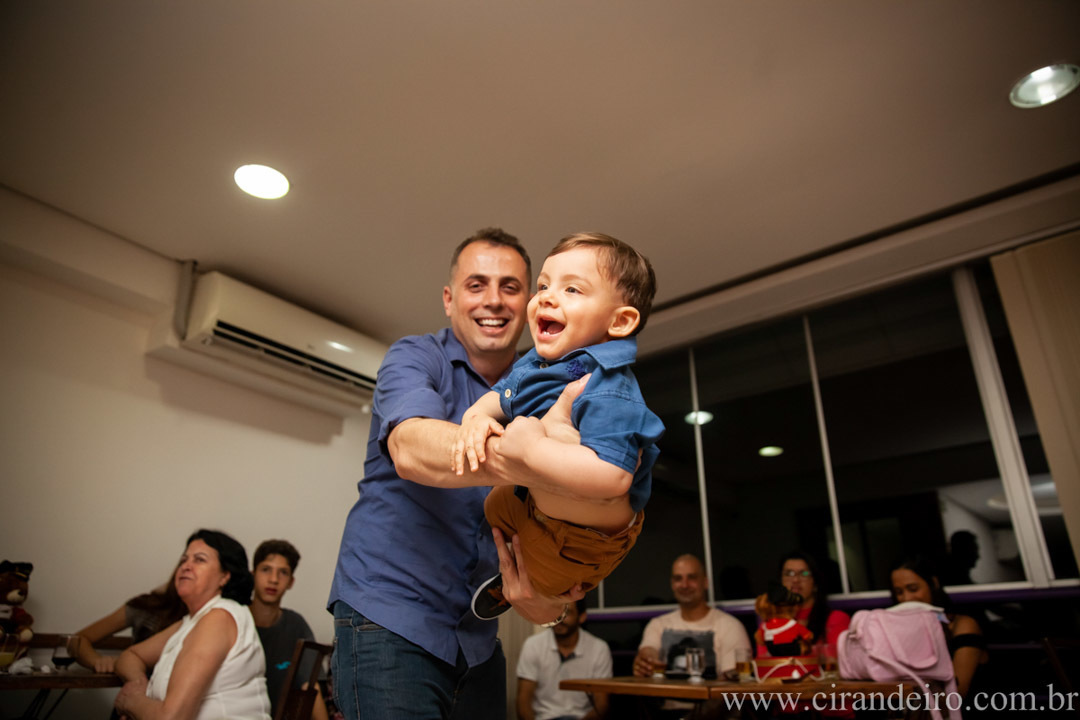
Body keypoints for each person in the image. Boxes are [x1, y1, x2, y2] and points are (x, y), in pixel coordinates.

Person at [328, 228, 587, 720]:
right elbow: (409, 448)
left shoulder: (548, 389)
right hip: (389, 618)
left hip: (479, 640)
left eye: (511, 287)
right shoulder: (413, 356)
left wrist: (552, 603)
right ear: (449, 300)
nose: (494, 300)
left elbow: (559, 527)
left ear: (531, 303)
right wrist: (539, 461)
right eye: (476, 285)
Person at [452, 232, 664, 617]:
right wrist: (475, 418)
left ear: (619, 321)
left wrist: (533, 449)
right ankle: (513, 556)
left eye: (572, 289)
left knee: (547, 583)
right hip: (539, 505)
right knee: (495, 504)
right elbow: (499, 397)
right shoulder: (539, 365)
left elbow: (613, 479)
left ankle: (528, 576)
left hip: (581, 540)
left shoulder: (607, 388)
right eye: (544, 286)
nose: (547, 297)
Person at [114, 529, 271, 720]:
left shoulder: (219, 619)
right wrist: (139, 686)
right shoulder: (193, 621)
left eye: (199, 560)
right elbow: (131, 656)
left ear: (225, 576)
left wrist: (132, 702)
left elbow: (172, 718)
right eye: (184, 560)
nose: (186, 566)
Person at [633, 555, 750, 679]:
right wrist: (647, 661)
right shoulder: (657, 624)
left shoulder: (730, 626)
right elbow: (649, 650)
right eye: (678, 578)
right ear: (672, 584)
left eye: (692, 577)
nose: (684, 585)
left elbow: (734, 682)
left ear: (705, 582)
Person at [250, 540, 328, 720]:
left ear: (291, 582)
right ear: (253, 575)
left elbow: (310, 687)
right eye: (266, 569)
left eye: (283, 572)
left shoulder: (296, 625)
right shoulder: (233, 619)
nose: (273, 579)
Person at [891, 557, 988, 698]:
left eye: (913, 589)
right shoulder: (897, 629)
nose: (906, 598)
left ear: (933, 584)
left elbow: (957, 692)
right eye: (899, 592)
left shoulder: (962, 625)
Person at [73, 566, 186, 673]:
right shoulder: (147, 607)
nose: (188, 567)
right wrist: (98, 661)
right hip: (138, 682)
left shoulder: (193, 620)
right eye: (185, 560)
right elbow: (77, 640)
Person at [516, 599, 612, 720]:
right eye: (555, 612)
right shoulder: (533, 645)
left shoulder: (599, 648)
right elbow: (523, 702)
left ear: (582, 617)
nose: (559, 619)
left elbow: (601, 705)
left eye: (567, 613)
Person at [754, 550, 850, 661]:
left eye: (804, 574)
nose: (795, 580)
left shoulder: (836, 618)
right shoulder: (770, 623)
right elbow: (764, 661)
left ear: (815, 583)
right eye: (789, 574)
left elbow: (837, 660)